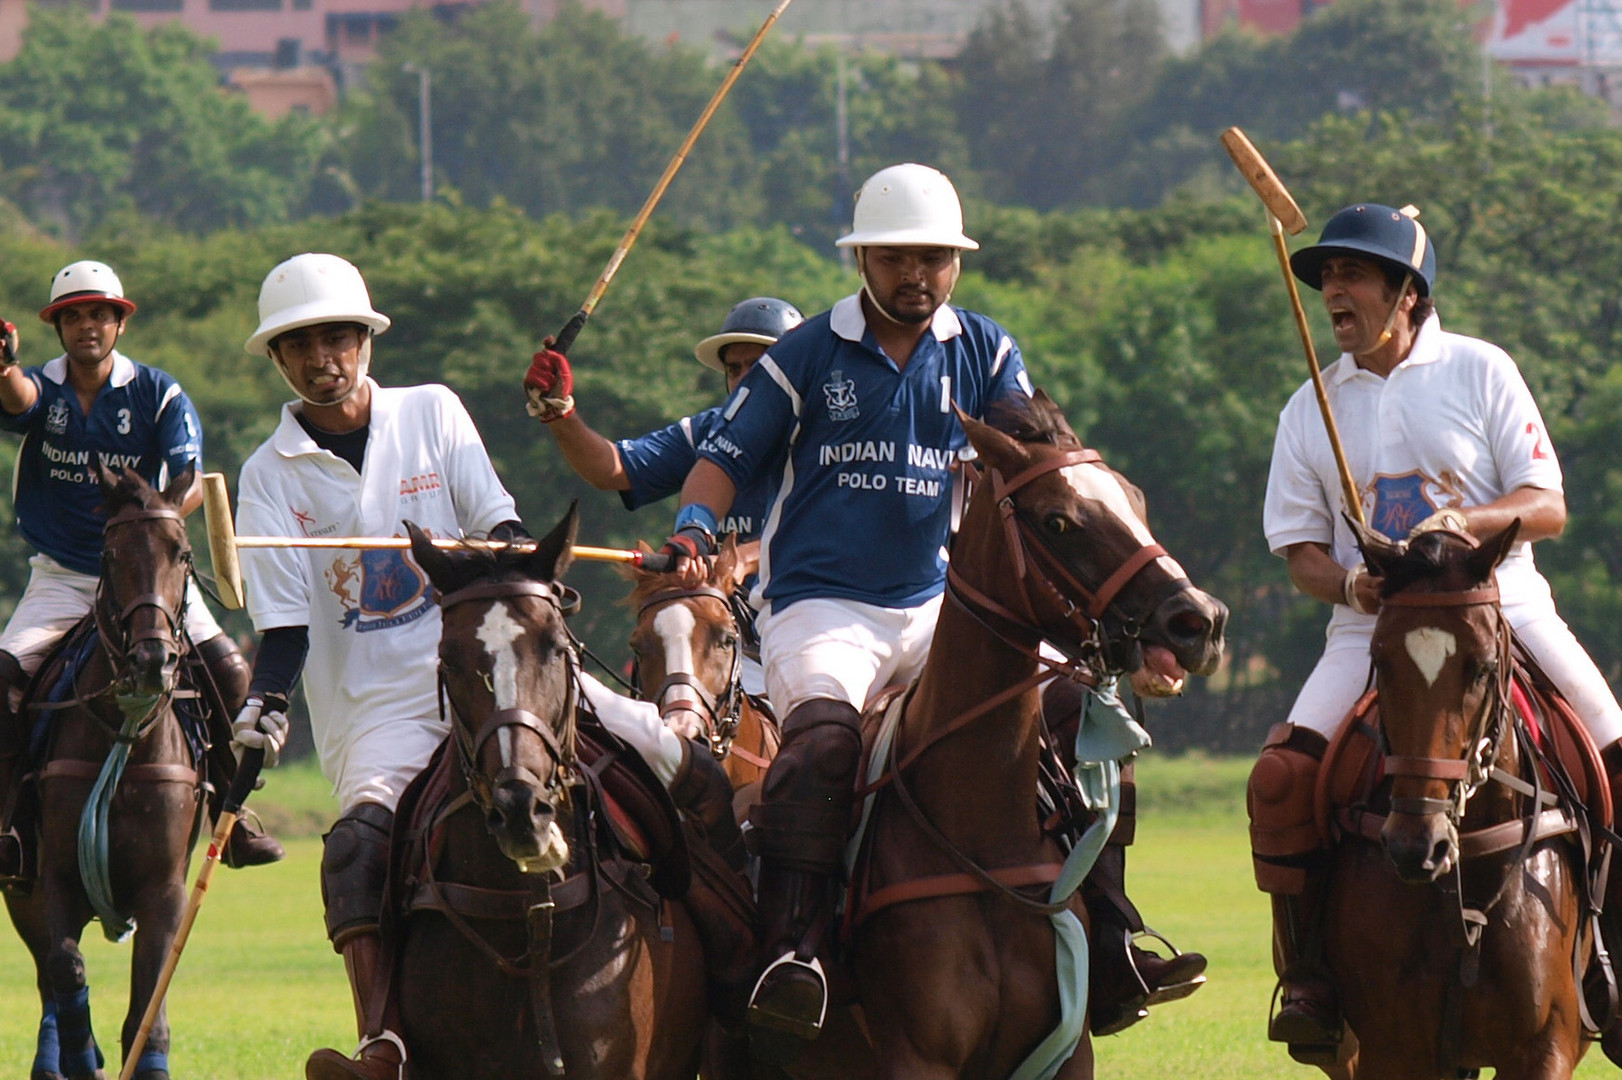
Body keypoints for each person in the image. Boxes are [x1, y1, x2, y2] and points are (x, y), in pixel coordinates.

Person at [231, 253, 740, 1080]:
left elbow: (500, 528)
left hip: (505, 671)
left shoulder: (432, 413)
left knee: (681, 763)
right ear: (278, 361)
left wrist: (511, 561)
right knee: (357, 845)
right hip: (380, 704)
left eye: (338, 338)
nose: (324, 358)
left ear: (365, 342)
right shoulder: (265, 477)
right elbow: (284, 630)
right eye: (302, 346)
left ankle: (744, 971)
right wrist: (264, 708)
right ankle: (383, 1042)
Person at [1254, 203, 1622, 1058]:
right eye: (1326, 279)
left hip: (1502, 610)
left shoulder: (1479, 369)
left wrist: (1464, 522)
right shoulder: (1308, 407)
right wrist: (1349, 580)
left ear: (1407, 293)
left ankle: (1608, 956)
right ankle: (1310, 976)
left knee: (1615, 754)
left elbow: (1548, 505)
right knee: (1279, 781)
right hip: (1371, 625)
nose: (1333, 293)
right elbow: (1299, 552)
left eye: (1352, 276)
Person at [0, 260, 280, 888]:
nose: (87, 326)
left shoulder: (158, 393)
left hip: (147, 573)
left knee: (234, 678)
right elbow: (17, 402)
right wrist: (2, 370)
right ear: (59, 327)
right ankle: (12, 825)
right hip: (65, 576)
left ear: (119, 323)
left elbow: (190, 482)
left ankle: (231, 818)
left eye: (99, 313)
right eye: (73, 316)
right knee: (2, 682)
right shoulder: (42, 386)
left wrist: (143, 526)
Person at [523, 296, 805, 695]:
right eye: (734, 369)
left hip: (810, 631)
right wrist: (560, 413)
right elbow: (613, 468)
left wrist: (739, 558)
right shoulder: (710, 429)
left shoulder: (828, 437)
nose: (744, 380)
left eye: (758, 368)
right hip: (720, 643)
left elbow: (841, 528)